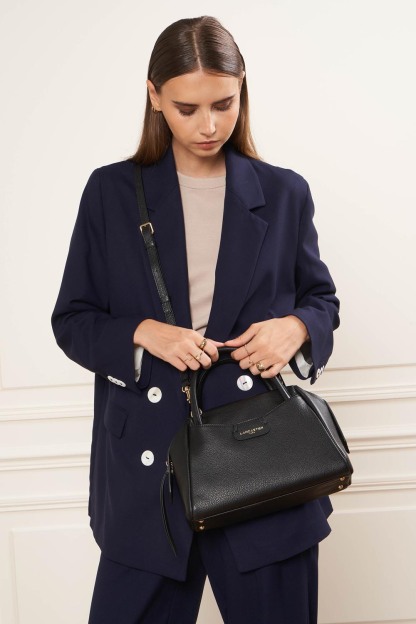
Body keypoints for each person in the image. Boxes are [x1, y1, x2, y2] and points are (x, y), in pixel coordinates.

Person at [51, 15, 340, 624]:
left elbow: (321, 301)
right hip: (147, 472)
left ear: (242, 88)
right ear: (154, 96)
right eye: (187, 108)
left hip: (263, 462)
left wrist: (296, 329)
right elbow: (73, 319)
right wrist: (141, 333)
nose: (208, 126)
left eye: (223, 104)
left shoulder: (284, 192)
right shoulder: (110, 193)